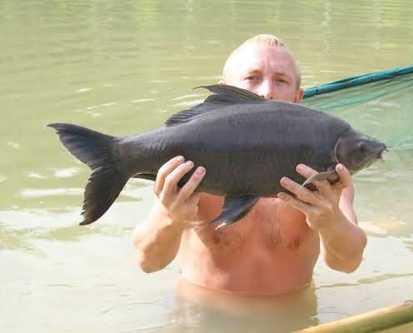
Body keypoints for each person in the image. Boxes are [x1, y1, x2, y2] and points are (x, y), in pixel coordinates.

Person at [132, 34, 367, 296]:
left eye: (281, 81)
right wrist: (170, 216)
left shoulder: (324, 177)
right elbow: (148, 262)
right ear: (225, 90)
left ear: (297, 97)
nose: (266, 91)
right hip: (200, 320)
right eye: (251, 78)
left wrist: (331, 221)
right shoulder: (195, 163)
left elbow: (348, 263)